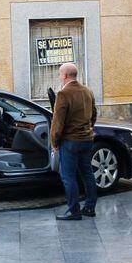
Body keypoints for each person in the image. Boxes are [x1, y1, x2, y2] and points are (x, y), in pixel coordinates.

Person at [50, 63, 98, 220]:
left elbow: (57, 123)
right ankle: (90, 208)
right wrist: (88, 129)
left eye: (59, 74)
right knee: (87, 174)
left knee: (68, 176)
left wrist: (54, 142)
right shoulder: (88, 91)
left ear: (64, 76)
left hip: (70, 141)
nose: (59, 77)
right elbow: (94, 115)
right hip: (87, 139)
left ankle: (73, 211)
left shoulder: (63, 94)